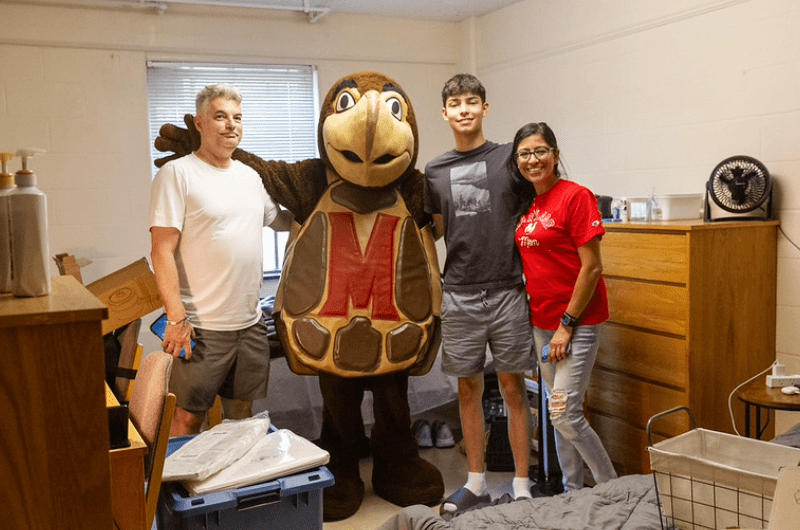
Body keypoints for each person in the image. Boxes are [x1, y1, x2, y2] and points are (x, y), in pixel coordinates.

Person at [149, 83, 291, 436]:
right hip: (201, 327)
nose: (231, 125)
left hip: (250, 325)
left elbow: (283, 221)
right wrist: (176, 318)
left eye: (237, 118)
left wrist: (326, 205)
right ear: (200, 123)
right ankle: (175, 491)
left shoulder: (250, 176)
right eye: (221, 117)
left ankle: (233, 490)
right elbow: (161, 250)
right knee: (185, 419)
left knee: (243, 420)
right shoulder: (177, 174)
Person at [424, 74, 534, 514]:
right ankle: (476, 483)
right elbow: (431, 233)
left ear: (485, 109)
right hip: (460, 294)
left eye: (473, 101)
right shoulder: (435, 171)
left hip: (508, 290)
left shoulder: (510, 157)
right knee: (467, 392)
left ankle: (523, 485)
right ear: (445, 113)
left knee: (512, 389)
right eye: (456, 103)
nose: (465, 109)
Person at [510, 121, 617, 492]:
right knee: (557, 417)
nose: (532, 159)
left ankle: (612, 489)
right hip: (542, 322)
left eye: (540, 151)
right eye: (524, 153)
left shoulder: (575, 196)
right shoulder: (531, 203)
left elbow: (593, 267)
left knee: (566, 412)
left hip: (577, 323)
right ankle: (573, 493)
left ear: (555, 155)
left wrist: (567, 325)